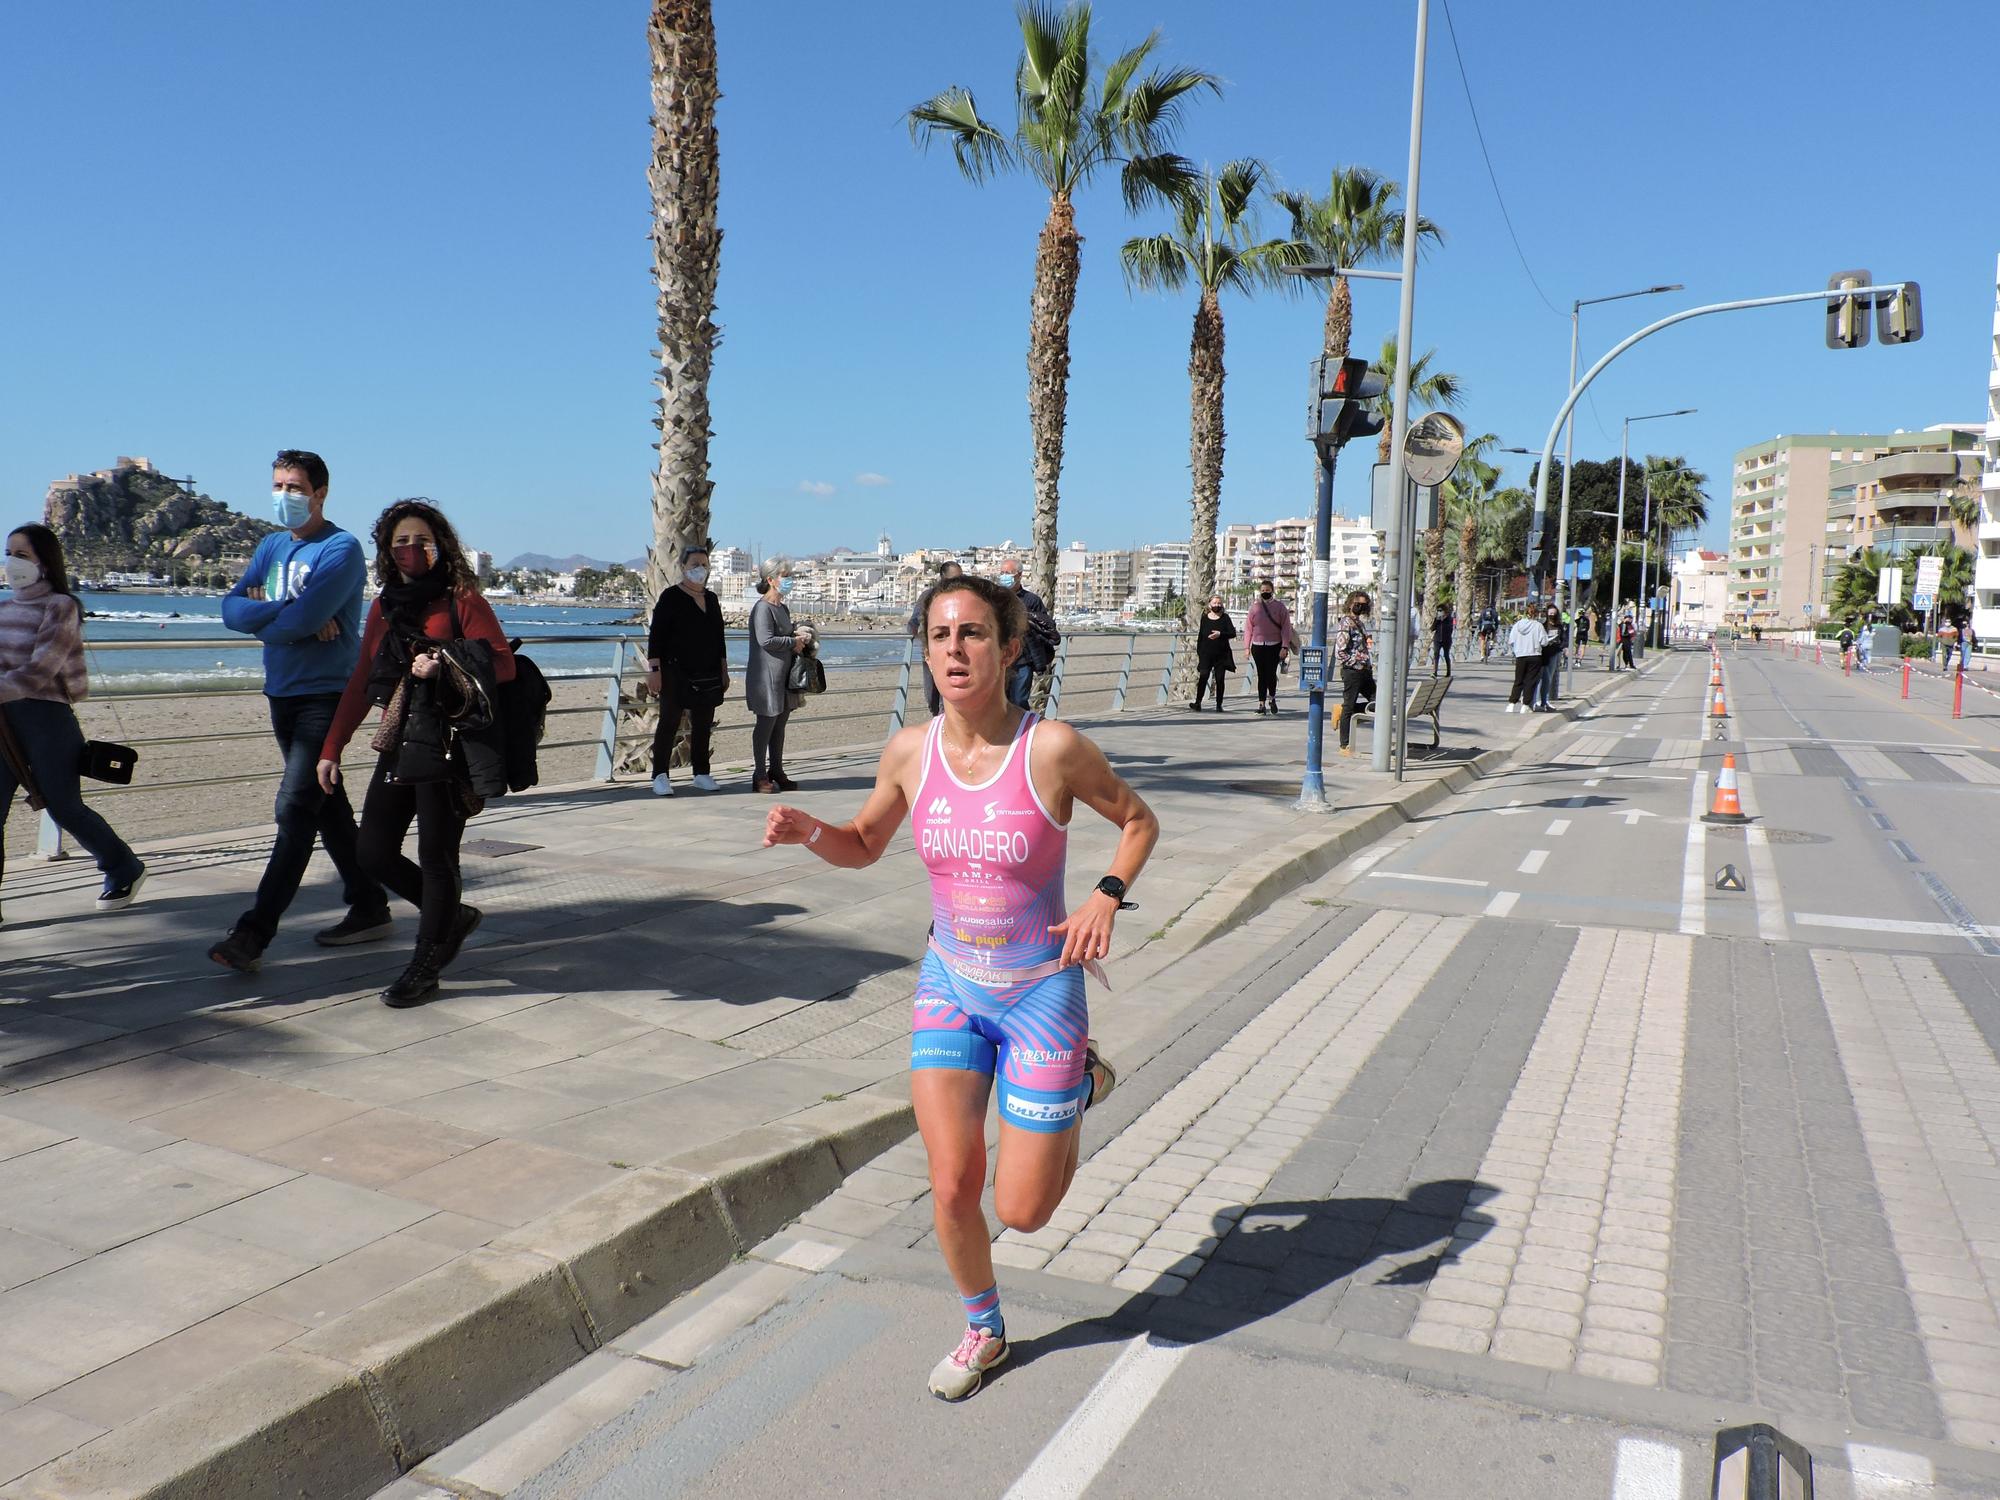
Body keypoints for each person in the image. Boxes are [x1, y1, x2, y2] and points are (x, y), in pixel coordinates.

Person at [761, 574, 1158, 1402]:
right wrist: (811, 834)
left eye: (972, 634)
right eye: (940, 636)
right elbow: (866, 844)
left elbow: (1137, 820)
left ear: (1009, 649)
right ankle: (984, 1328)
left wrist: (1105, 895)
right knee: (950, 1183)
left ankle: (1078, 1079)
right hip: (950, 983)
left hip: (1040, 993)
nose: (954, 651)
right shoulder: (911, 751)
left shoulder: (1049, 748)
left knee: (1022, 1210)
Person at [316, 500, 514, 1007]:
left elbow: (503, 665)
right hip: (402, 735)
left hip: (449, 745)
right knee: (372, 851)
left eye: (420, 540)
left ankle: (426, 964)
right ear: (386, 550)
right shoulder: (385, 606)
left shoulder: (460, 597)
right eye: (399, 542)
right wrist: (332, 747)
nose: (410, 550)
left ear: (439, 544)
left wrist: (442, 664)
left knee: (436, 854)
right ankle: (451, 915)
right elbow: (362, 680)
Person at [210, 450, 387, 973]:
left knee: (293, 810)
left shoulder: (342, 549)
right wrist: (283, 615)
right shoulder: (270, 545)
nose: (284, 495)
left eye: (294, 487)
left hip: (325, 696)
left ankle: (253, 933)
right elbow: (229, 610)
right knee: (325, 807)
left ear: (320, 493)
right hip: (281, 693)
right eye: (278, 485)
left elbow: (299, 616)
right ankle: (370, 904)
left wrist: (282, 616)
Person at [0, 524, 146, 921]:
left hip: (46, 717)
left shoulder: (60, 606)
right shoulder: (2, 609)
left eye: (22, 555)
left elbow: (41, 670)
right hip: (3, 721)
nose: (11, 562)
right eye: (8, 552)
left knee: (65, 807)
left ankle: (123, 867)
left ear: (45, 563)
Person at [645, 542, 728, 797]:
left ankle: (701, 773)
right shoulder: (671, 597)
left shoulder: (711, 599)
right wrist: (655, 670)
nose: (700, 569)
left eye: (704, 565)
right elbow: (656, 636)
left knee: (703, 724)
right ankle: (660, 775)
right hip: (675, 672)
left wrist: (724, 670)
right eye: (694, 565)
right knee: (668, 723)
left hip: (708, 672)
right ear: (682, 567)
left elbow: (719, 638)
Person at [748, 557, 806, 793]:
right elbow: (766, 640)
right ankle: (759, 773)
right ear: (771, 580)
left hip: (783, 675)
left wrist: (799, 634)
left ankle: (777, 770)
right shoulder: (762, 608)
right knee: (766, 723)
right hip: (766, 676)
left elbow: (781, 634)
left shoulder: (782, 607)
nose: (789, 579)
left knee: (780, 724)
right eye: (785, 575)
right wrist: (793, 641)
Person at [996, 557, 1058, 710]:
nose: (1005, 576)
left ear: (1019, 575)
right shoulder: (993, 599)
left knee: (1019, 700)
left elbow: (1045, 627)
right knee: (998, 700)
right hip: (998, 659)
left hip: (1023, 660)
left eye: (1008, 573)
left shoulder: (1032, 600)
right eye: (1002, 572)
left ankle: (1022, 731)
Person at [908, 561, 964, 718]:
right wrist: (914, 634)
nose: (958, 582)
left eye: (961, 578)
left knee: (949, 693)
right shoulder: (928, 596)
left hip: (956, 651)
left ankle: (944, 723)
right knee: (931, 693)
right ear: (943, 578)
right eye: (954, 578)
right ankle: (937, 716)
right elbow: (914, 621)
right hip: (932, 651)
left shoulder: (964, 598)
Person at [1244, 580, 1298, 714]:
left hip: (1275, 646)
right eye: (1263, 591)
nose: (1265, 593)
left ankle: (1272, 698)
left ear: (1272, 591)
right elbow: (1248, 629)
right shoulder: (1254, 608)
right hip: (1258, 646)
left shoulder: (1280, 607)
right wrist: (1246, 647)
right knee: (1261, 675)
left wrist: (1284, 647)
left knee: (1271, 674)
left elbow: (1286, 629)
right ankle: (1261, 704)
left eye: (1268, 590)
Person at [1334, 590, 1375, 757]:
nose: (1360, 606)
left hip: (1365, 671)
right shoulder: (1345, 623)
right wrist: (1355, 663)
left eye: (1363, 604)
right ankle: (1344, 745)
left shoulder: (1360, 623)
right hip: (1353, 672)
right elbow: (1340, 652)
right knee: (1349, 706)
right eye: (1357, 603)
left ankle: (1341, 710)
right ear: (1350, 603)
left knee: (1378, 703)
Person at [1189, 594, 1236, 711]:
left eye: (1219, 603)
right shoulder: (1204, 617)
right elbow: (1201, 635)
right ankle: (1198, 703)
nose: (1217, 605)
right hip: (1206, 654)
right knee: (1203, 677)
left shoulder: (1225, 618)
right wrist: (1199, 651)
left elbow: (1232, 633)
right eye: (1214, 603)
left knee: (1220, 679)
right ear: (1210, 604)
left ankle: (1219, 705)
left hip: (1222, 655)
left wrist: (1220, 634)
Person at [1507, 608, 1549, 713]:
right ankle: (1525, 705)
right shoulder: (1538, 626)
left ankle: (1511, 704)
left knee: (1518, 680)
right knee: (1530, 681)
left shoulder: (1517, 625)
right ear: (1536, 614)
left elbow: (1511, 640)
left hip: (1520, 655)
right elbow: (1544, 642)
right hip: (1534, 655)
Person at [1534, 604, 1568, 709]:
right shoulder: (1542, 625)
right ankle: (1535, 701)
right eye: (1550, 614)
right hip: (1541, 653)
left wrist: (1562, 648)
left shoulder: (1559, 626)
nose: (1552, 615)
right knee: (1537, 678)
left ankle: (1545, 701)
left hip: (1553, 653)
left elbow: (1563, 639)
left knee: (1548, 678)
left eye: (1554, 614)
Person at [1430, 604, 1454, 677]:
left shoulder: (1449, 619)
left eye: (1440, 611)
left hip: (1446, 639)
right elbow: (1432, 628)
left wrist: (1444, 619)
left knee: (1446, 655)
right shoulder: (1437, 619)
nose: (1439, 612)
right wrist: (1437, 620)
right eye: (1438, 611)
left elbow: (1450, 629)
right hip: (1437, 639)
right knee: (1436, 654)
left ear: (1445, 611)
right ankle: (1434, 672)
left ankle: (1448, 672)